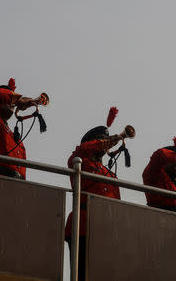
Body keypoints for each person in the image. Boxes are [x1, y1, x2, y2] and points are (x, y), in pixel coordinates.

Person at [64, 107, 125, 281]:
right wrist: (118, 137)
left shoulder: (110, 174)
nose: (105, 143)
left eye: (106, 140)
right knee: (82, 274)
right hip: (83, 224)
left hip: (106, 229)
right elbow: (84, 149)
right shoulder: (79, 158)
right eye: (101, 140)